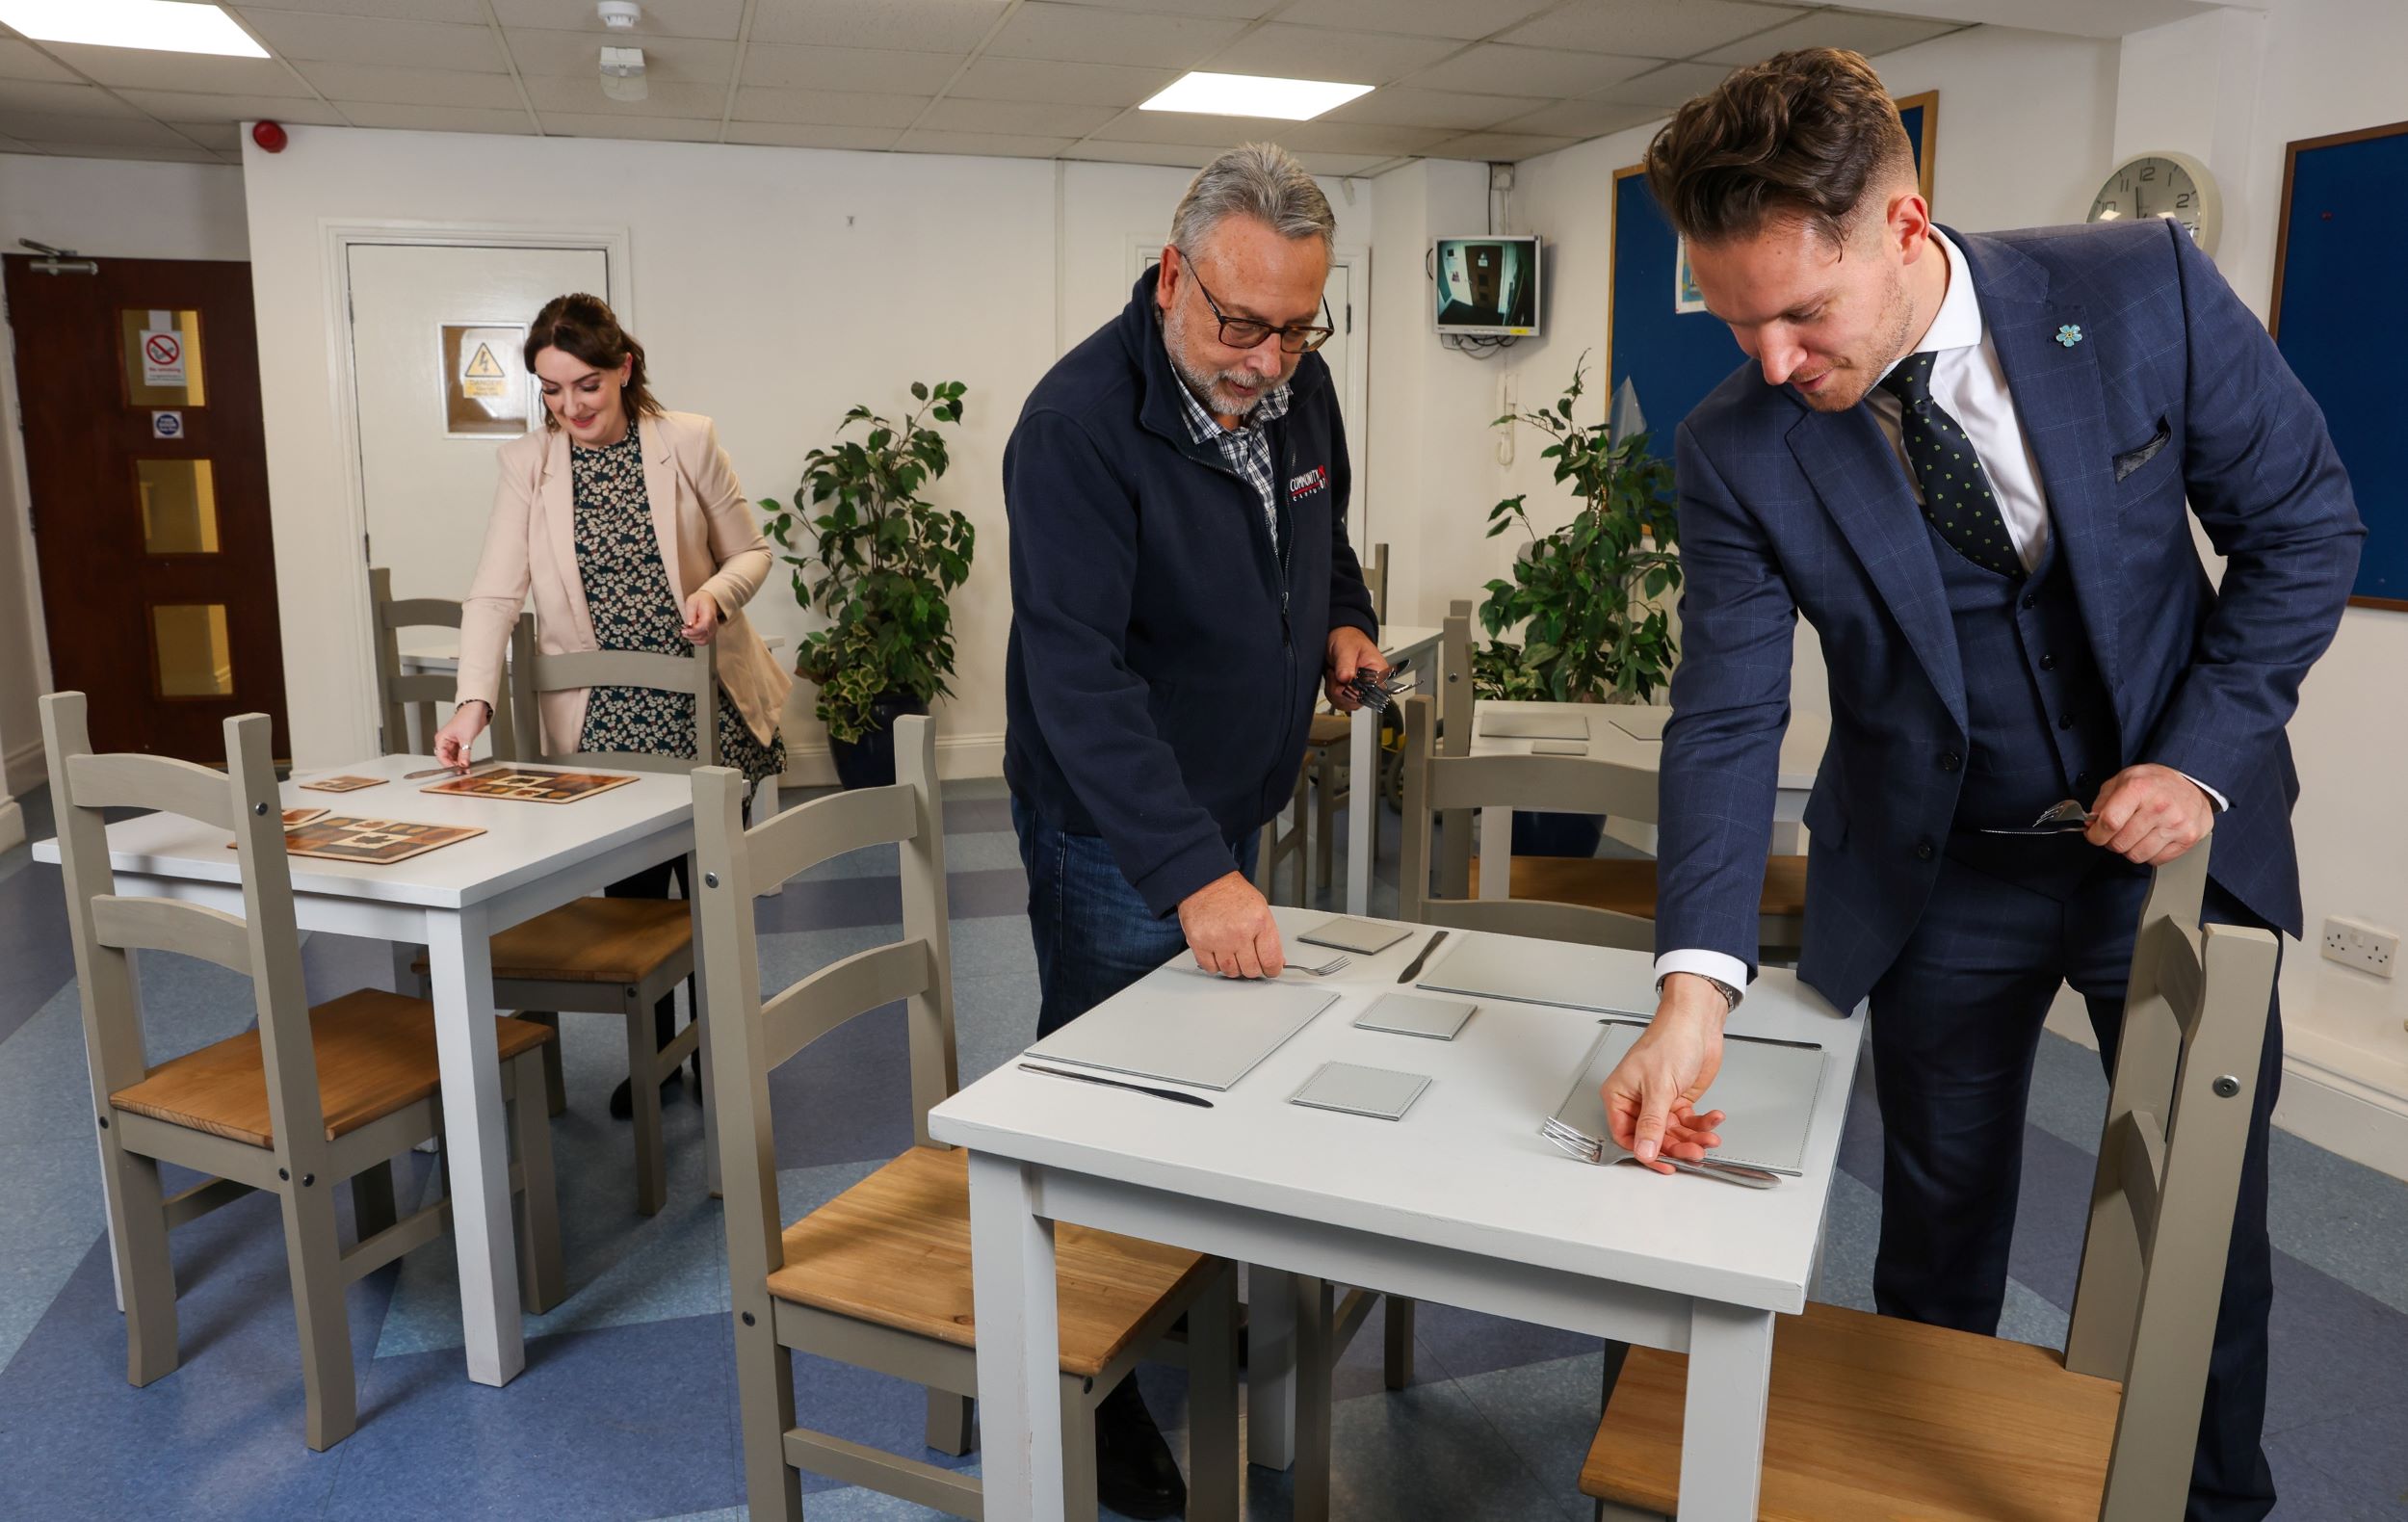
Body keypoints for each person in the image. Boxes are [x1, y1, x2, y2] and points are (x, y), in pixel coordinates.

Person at [1597, 49, 2362, 1522]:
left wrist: (2202, 762)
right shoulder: (1734, 451)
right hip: (1943, 871)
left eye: (1800, 315)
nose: (1769, 363)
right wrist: (1694, 992)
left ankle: (2216, 1507)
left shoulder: (2147, 292)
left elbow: (2307, 530)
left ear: (1901, 225)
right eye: (1736, 319)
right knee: (1937, 1223)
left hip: (2177, 858)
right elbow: (1726, 715)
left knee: (2206, 1233)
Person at [1001, 141, 1383, 1519]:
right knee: (1118, 1107)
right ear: (1174, 277)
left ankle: (1174, 1300)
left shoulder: (1298, 385)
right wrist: (1196, 873)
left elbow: (1322, 528)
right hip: (1117, 828)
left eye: (1297, 326)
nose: (1269, 359)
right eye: (1240, 323)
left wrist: (1346, 614)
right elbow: (1077, 678)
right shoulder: (1077, 428)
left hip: (1233, 799)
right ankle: (1092, 1402)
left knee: (1208, 1087)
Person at [434, 292, 790, 1119]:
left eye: (586, 385)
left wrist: (714, 596)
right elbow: (493, 595)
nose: (570, 408)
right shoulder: (527, 466)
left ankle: (721, 1048)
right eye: (551, 391)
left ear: (624, 368)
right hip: (602, 722)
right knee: (632, 906)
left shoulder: (687, 441)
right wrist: (472, 705)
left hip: (704, 705)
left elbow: (752, 552)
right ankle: (657, 1059)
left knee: (710, 893)